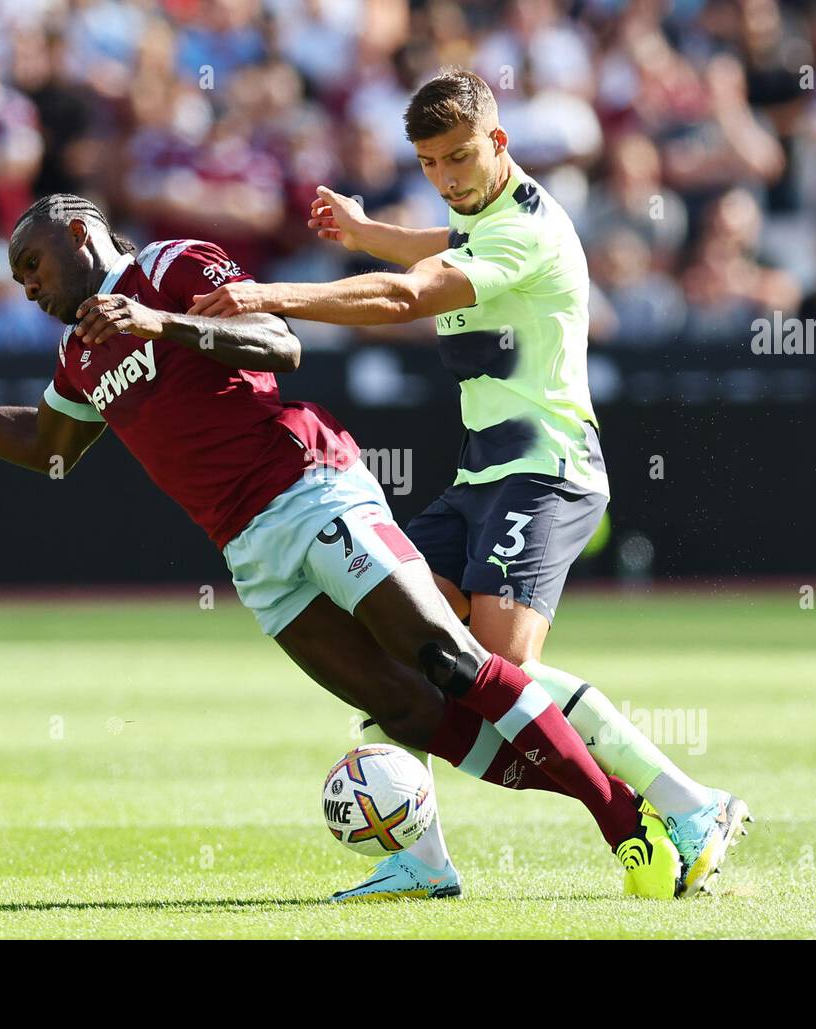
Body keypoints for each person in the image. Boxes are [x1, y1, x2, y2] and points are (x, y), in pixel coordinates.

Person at [0, 193, 689, 904]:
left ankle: (623, 822)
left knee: (445, 655)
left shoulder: (174, 266)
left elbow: (281, 343)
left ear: (80, 234)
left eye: (32, 265)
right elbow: (47, 447)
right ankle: (432, 863)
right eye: (18, 280)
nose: (29, 287)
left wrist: (160, 320)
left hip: (310, 487)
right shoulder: (80, 352)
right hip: (248, 552)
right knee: (404, 708)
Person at [188, 70, 751, 900]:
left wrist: (273, 295)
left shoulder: (531, 230)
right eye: (429, 162)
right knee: (392, 638)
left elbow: (410, 295)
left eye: (459, 158)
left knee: (495, 670)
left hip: (547, 472)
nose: (447, 177)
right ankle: (423, 858)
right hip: (481, 476)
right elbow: (435, 246)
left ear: (500, 142)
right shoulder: (478, 212)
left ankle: (691, 804)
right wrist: (365, 229)